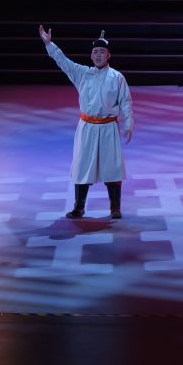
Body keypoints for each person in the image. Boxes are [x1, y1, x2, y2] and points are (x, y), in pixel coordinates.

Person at [40, 25, 134, 220]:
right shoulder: (82, 73)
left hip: (108, 127)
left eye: (102, 52)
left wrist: (128, 124)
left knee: (112, 167)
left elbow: (126, 102)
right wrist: (49, 44)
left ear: (109, 55)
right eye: (95, 52)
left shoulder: (117, 77)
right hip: (87, 127)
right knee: (82, 166)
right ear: (91, 55)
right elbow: (63, 61)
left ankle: (115, 208)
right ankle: (79, 207)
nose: (98, 55)